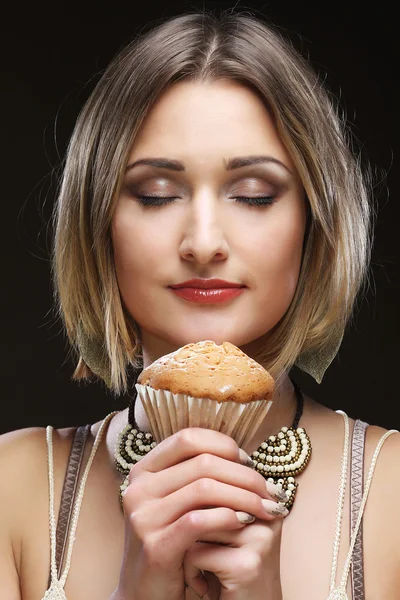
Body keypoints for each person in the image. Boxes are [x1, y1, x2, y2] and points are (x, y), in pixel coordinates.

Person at [1, 9, 399, 600]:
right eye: (156, 195)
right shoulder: (14, 486)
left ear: (315, 223)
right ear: (98, 222)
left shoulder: (388, 493)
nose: (204, 242)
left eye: (253, 195)